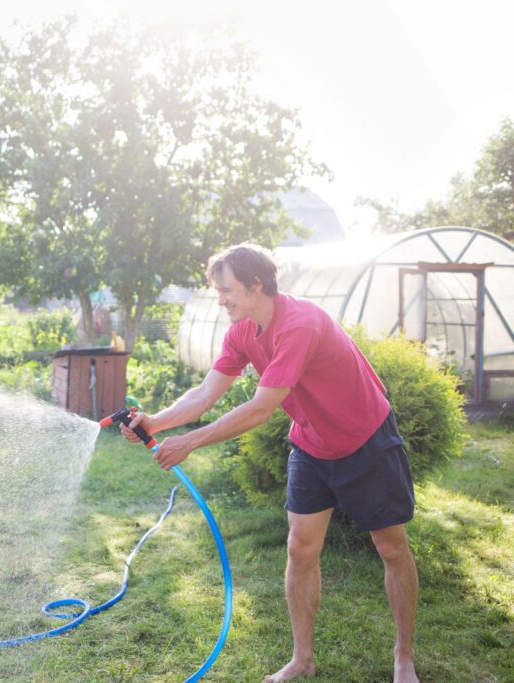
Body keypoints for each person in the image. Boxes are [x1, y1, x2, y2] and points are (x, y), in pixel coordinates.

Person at [123, 243, 420, 683]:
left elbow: (262, 408)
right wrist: (158, 421)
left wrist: (191, 442)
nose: (220, 298)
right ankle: (302, 659)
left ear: (256, 285)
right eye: (217, 290)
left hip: (364, 439)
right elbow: (207, 393)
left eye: (226, 290)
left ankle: (403, 657)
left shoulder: (298, 325)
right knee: (300, 549)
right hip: (312, 444)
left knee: (391, 547)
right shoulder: (242, 330)